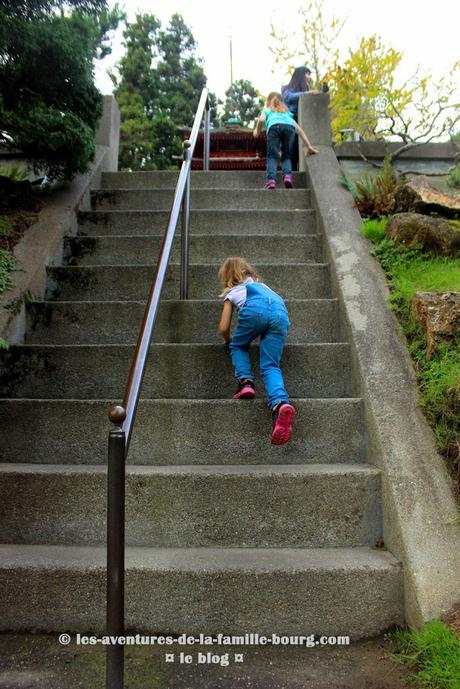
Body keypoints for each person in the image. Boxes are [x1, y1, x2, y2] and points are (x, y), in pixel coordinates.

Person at [217, 256, 296, 445]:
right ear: (249, 272)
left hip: (254, 310)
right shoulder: (266, 287)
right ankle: (280, 404)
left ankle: (246, 382)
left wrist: (229, 340)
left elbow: (223, 327)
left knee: (238, 345)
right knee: (270, 365)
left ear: (227, 276)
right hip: (280, 312)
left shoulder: (232, 291)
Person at [253, 91, 317, 189]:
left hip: (274, 127)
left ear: (269, 102)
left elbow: (261, 120)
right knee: (286, 155)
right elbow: (299, 130)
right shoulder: (287, 114)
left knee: (272, 156)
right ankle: (287, 176)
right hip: (289, 128)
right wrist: (309, 146)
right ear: (282, 103)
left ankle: (271, 181)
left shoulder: (267, 110)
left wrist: (257, 131)